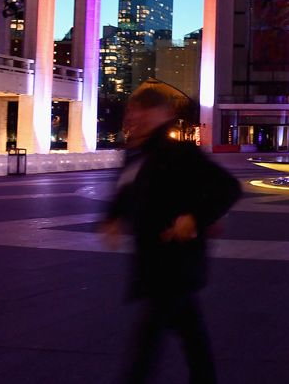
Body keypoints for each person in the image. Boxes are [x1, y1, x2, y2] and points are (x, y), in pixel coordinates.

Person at [102, 79, 242, 384]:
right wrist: (112, 218)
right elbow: (125, 193)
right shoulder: (133, 154)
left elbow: (227, 188)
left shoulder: (180, 154)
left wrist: (194, 217)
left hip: (175, 263)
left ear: (163, 115)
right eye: (133, 111)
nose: (135, 117)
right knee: (191, 334)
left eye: (144, 112)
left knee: (147, 341)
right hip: (152, 261)